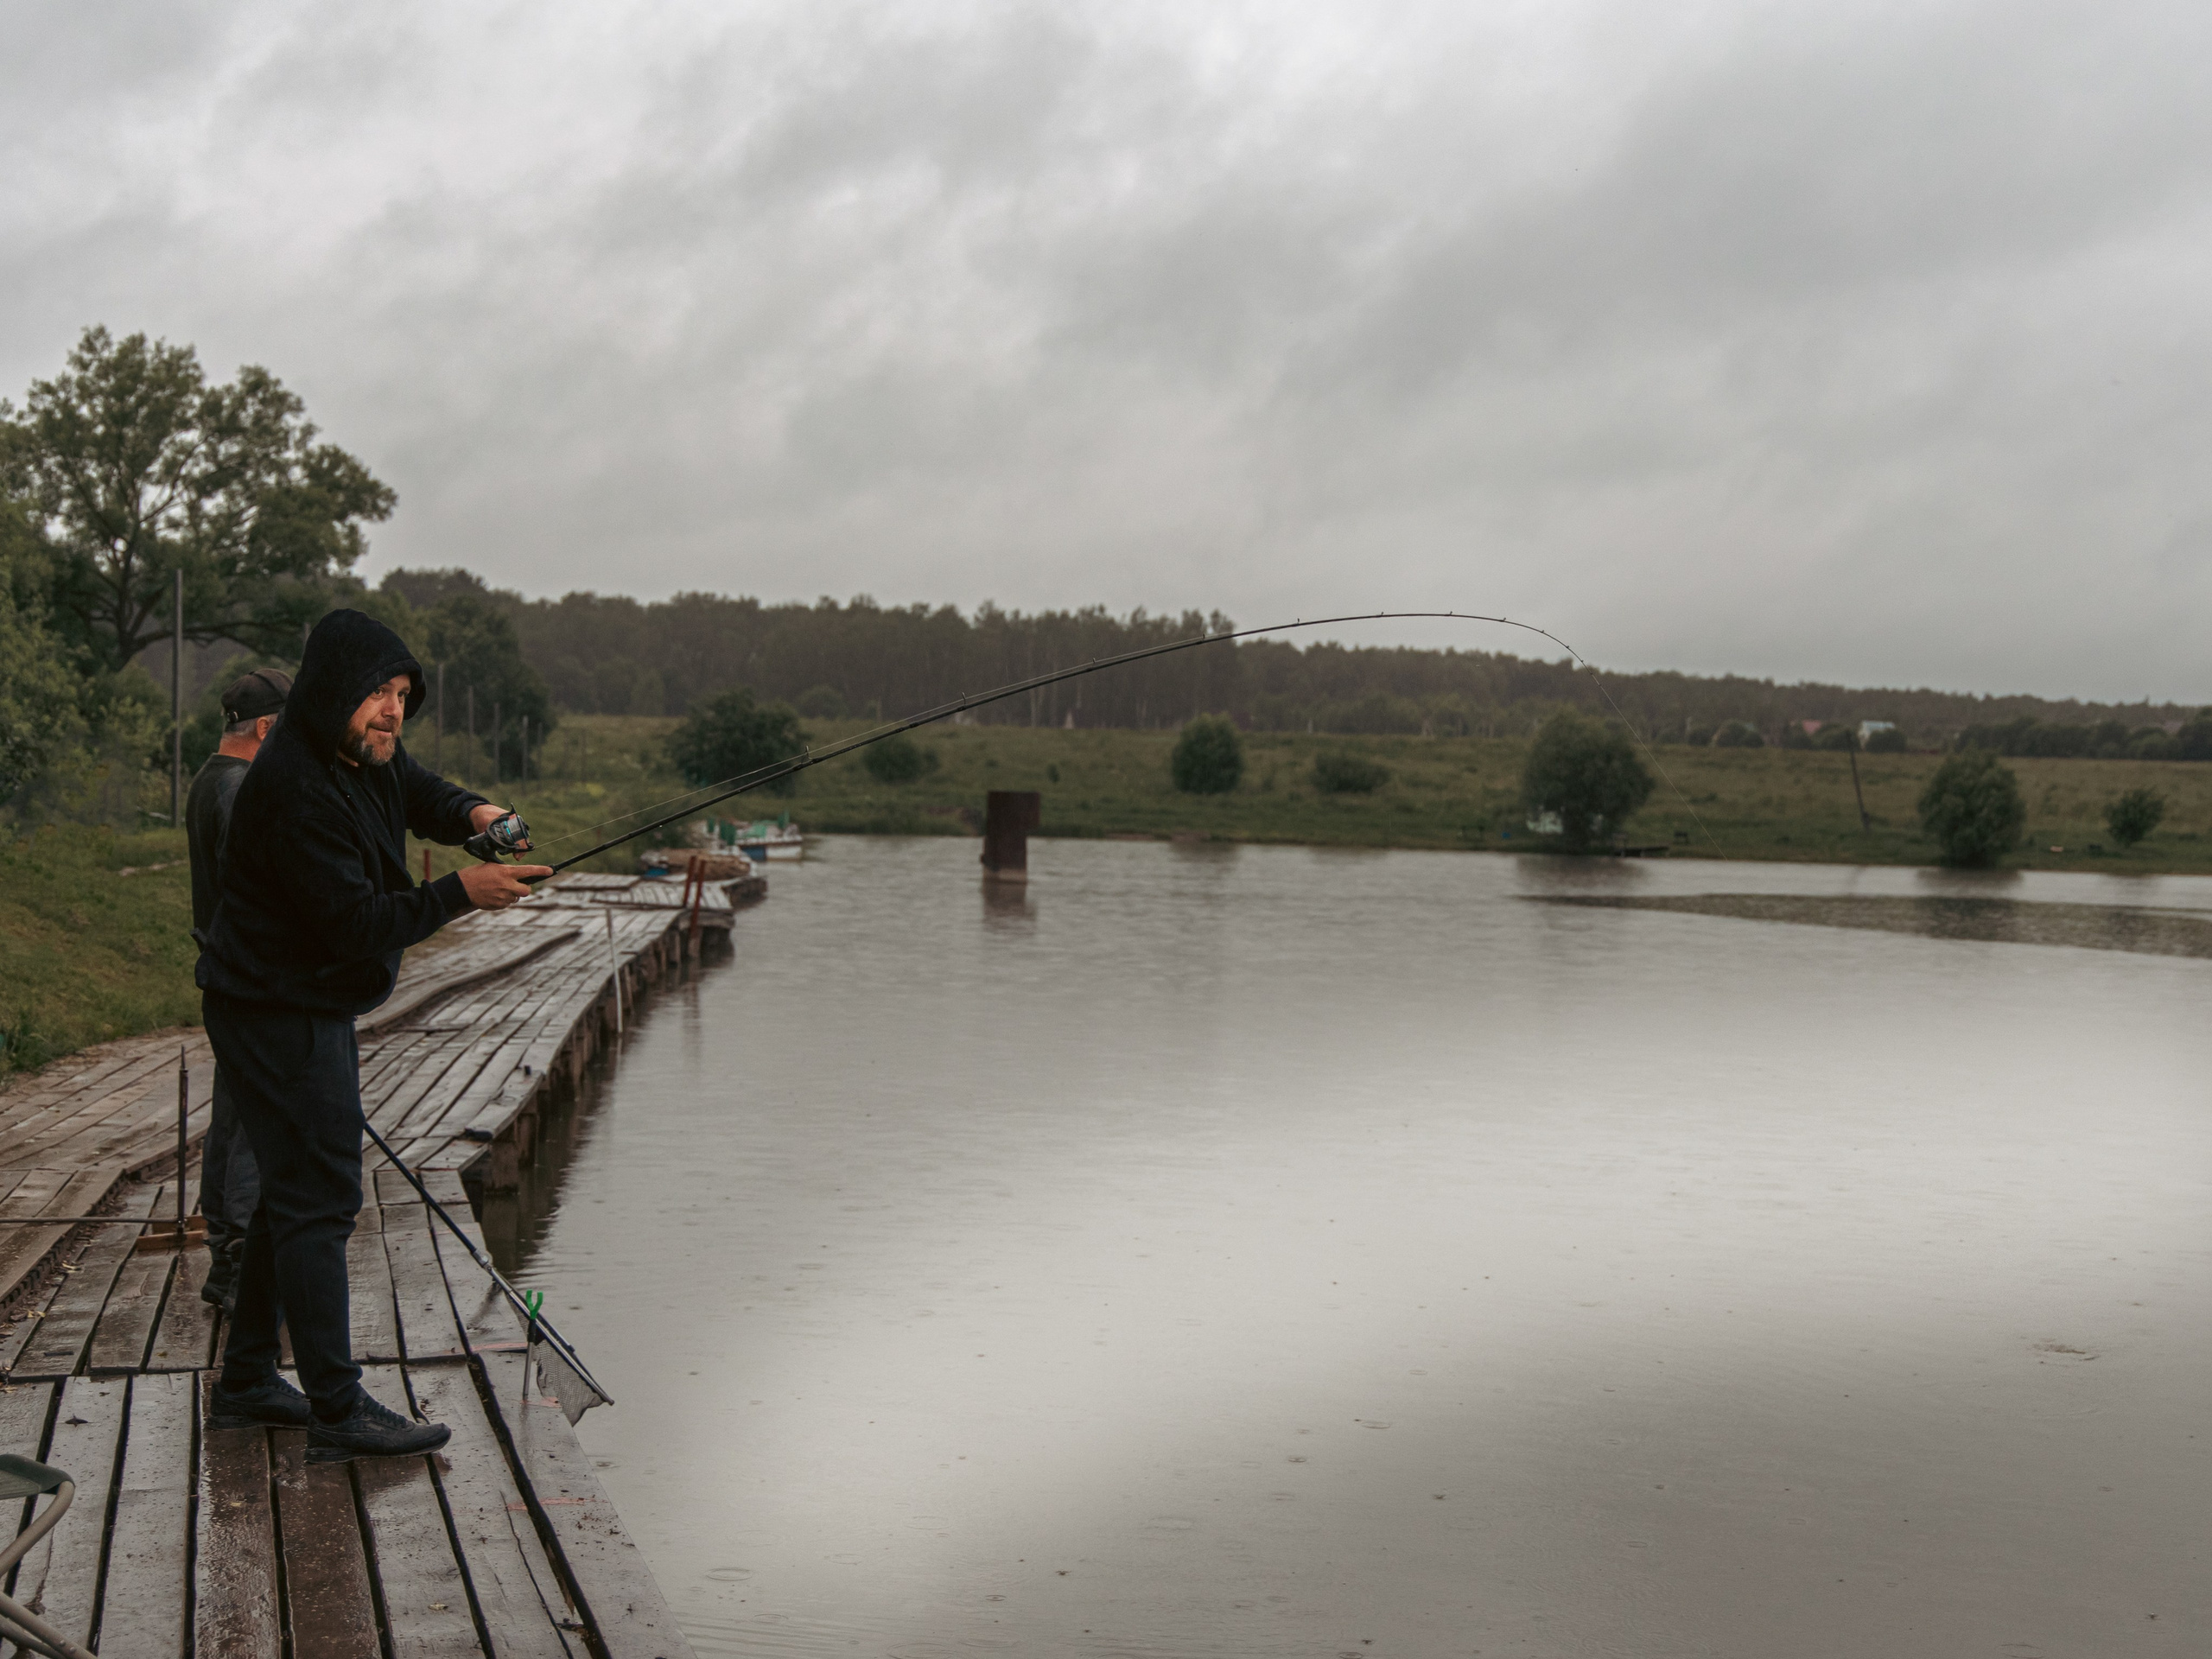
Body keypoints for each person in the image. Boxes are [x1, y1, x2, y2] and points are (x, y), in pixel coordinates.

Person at [196, 610, 550, 1460]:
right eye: (375, 694)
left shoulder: (360, 755)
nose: (391, 711)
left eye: (399, 694)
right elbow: (355, 924)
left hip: (299, 1002)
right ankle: (336, 1406)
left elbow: (422, 794)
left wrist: (481, 813)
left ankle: (246, 1381)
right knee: (322, 1195)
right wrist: (465, 892)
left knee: (293, 1190)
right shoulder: (293, 790)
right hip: (272, 1006)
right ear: (330, 694)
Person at [185, 667, 293, 1313]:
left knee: (233, 1116)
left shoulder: (208, 778)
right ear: (266, 728)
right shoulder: (242, 790)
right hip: (252, 982)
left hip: (227, 976)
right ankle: (240, 1267)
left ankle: (227, 1258)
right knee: (256, 1126)